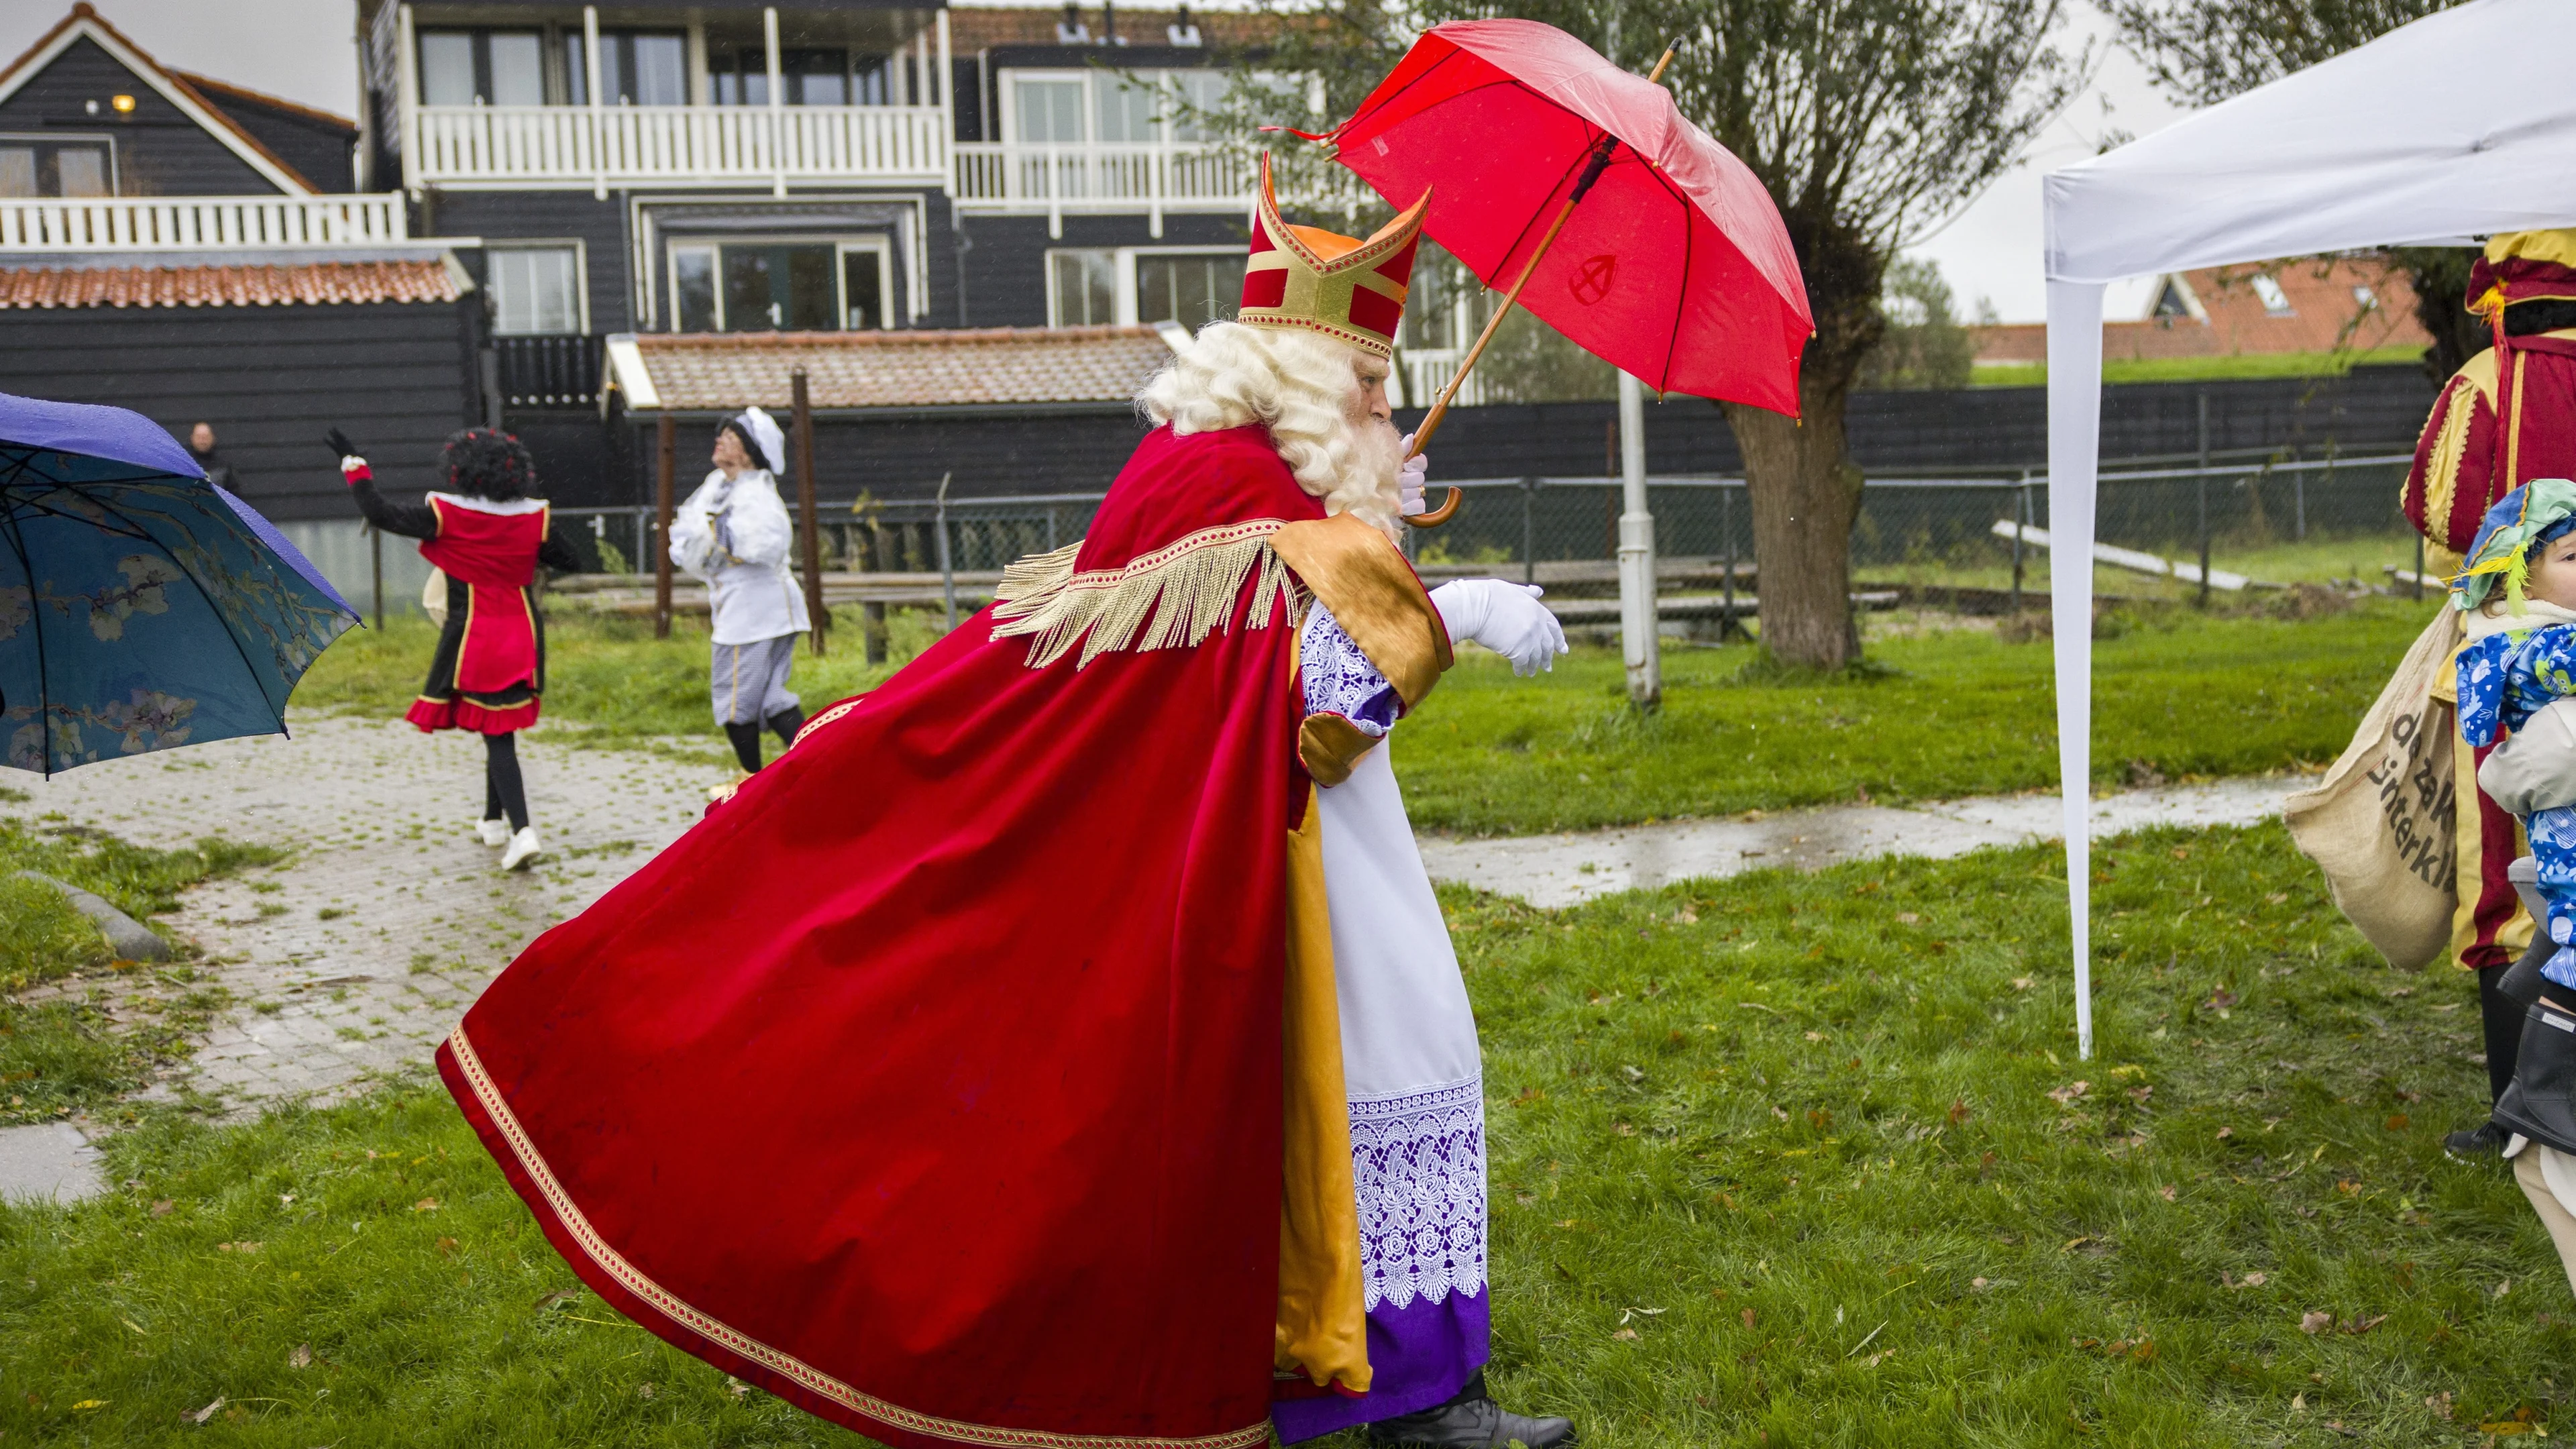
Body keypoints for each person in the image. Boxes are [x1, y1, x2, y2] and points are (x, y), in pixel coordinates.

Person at [435, 156, 1578, 1449]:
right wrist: (1452, 609)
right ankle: (1406, 1407)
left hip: (1285, 847)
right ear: (1313, 391)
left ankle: (1398, 1390)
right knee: (1388, 1063)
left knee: (1370, 1086)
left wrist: (1375, 536)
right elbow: (1308, 707)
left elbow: (1273, 640)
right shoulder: (1230, 491)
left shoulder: (1231, 476)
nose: (1390, 411)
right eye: (1372, 390)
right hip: (1272, 857)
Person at [2402, 229, 2576, 1157]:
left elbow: (2439, 513)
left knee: (2511, 880)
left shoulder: (2488, 380)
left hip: (2521, 661)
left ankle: (2526, 1111)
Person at [331, 426, 582, 871]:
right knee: (498, 723)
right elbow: (571, 560)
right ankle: (493, 820)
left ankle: (524, 832)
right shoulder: (534, 517)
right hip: (523, 633)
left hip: (476, 636)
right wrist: (522, 555)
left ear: (461, 471)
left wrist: (355, 467)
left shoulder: (447, 513)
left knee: (498, 735)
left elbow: (381, 512)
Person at [669, 406, 810, 776]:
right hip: (752, 609)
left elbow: (767, 544)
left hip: (753, 613)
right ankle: (819, 768)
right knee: (770, 699)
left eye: (730, 438)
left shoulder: (756, 494)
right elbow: (686, 536)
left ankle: (752, 782)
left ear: (747, 452)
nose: (720, 441)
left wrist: (718, 541)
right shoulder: (717, 485)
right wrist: (707, 545)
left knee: (732, 702)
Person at [186, 422, 236, 490]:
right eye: (199, 437)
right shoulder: (184, 464)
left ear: (213, 438)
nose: (202, 441)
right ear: (192, 438)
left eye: (205, 437)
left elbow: (234, 495)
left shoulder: (224, 467)